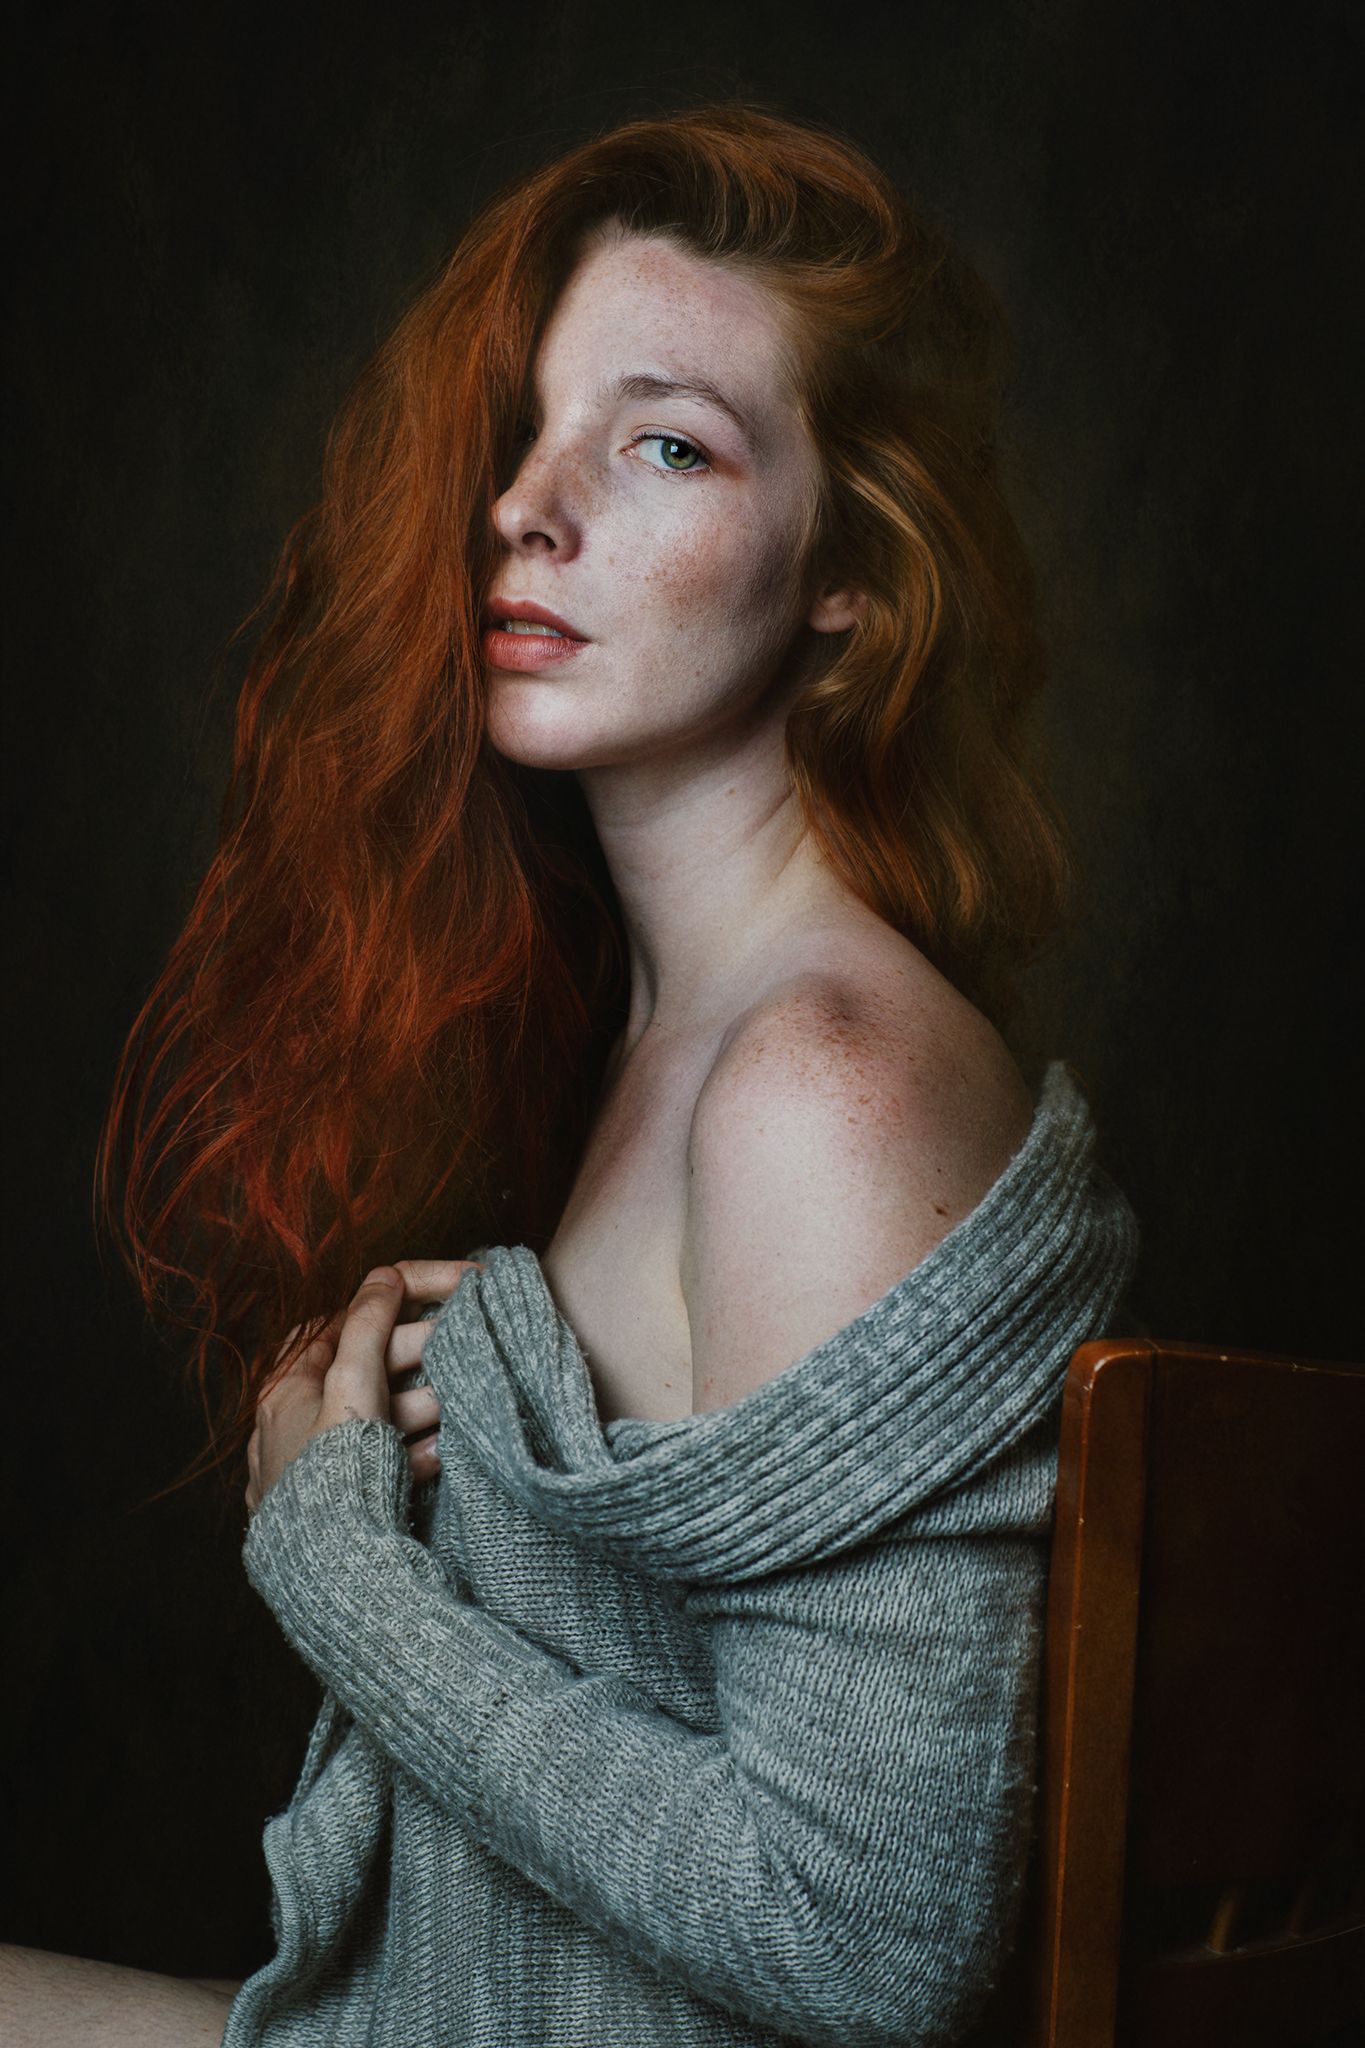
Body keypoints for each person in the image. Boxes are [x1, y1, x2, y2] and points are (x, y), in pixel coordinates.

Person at [2, 102, 1138, 2046]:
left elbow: (865, 1944)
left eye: (663, 443)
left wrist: (340, 1564)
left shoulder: (819, 1086)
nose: (528, 507)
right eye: (528, 433)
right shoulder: (654, 1034)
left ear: (850, 571)